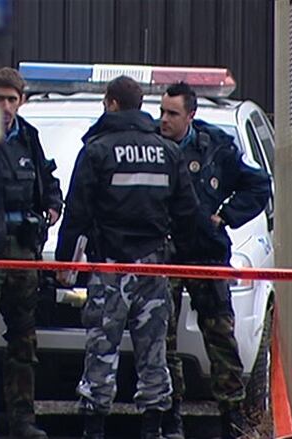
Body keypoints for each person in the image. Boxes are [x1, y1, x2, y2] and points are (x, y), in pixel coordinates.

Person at [55, 76, 198, 439]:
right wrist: (198, 261)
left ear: (112, 103)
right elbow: (187, 214)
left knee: (101, 353)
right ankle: (152, 429)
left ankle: (94, 429)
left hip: (109, 268)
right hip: (154, 268)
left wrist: (65, 268)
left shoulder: (98, 150)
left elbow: (78, 214)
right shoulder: (167, 151)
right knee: (154, 356)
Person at [158, 82, 272, 439]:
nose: (164, 120)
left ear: (190, 115)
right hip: (164, 255)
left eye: (172, 114)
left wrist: (225, 215)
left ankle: (233, 419)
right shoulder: (152, 147)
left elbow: (257, 184)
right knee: (163, 341)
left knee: (220, 336)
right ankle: (170, 417)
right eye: (162, 112)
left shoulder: (215, 148)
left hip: (205, 252)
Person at [0, 67, 63, 439]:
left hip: (23, 250)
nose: (4, 106)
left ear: (22, 102)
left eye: (11, 99)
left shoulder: (29, 138)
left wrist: (52, 206)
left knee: (23, 340)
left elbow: (48, 182)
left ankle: (22, 420)